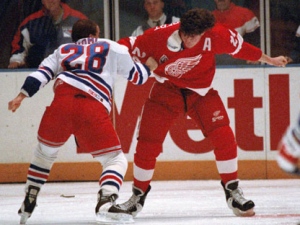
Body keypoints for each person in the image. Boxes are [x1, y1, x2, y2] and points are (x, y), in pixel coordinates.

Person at [117, 8, 287, 218]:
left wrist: (270, 60)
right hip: (166, 91)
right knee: (147, 143)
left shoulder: (218, 34)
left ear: (205, 32)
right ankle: (137, 196)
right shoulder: (159, 35)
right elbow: (122, 47)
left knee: (224, 137)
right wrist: (142, 62)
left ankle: (233, 192)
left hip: (201, 93)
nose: (188, 40)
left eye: (194, 36)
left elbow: (241, 49)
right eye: (185, 34)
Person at [8, 19, 156, 224]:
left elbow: (41, 75)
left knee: (43, 154)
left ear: (74, 37)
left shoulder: (62, 50)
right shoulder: (112, 47)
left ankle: (31, 194)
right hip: (91, 108)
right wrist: (150, 67)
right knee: (115, 160)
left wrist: (21, 96)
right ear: (95, 34)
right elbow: (138, 77)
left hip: (60, 105)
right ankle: (106, 198)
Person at [8, 0, 87, 69]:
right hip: (42, 73)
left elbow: (90, 45)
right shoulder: (31, 23)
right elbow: (19, 48)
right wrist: (16, 61)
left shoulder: (79, 20)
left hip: (71, 73)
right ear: (42, 1)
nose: (51, 0)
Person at [212, 0, 260, 65]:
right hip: (216, 64)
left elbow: (256, 40)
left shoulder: (246, 14)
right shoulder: (209, 18)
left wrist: (254, 56)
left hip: (242, 63)